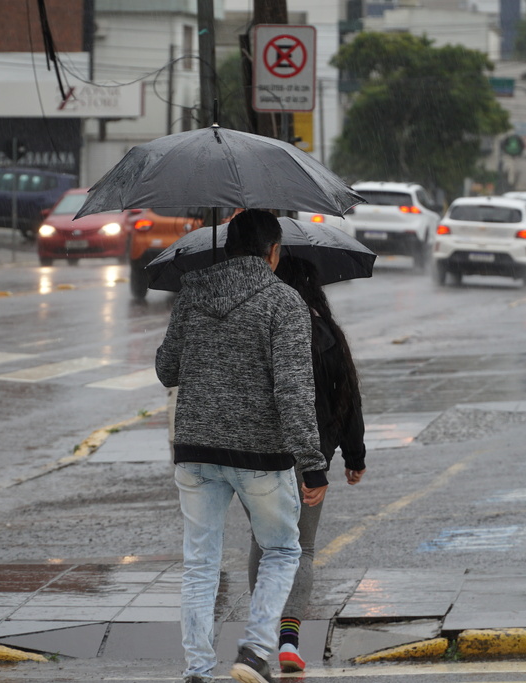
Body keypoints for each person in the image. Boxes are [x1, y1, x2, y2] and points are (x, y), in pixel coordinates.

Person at [156, 209, 330, 683]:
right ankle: (254, 652)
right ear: (273, 252)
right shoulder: (284, 302)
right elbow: (294, 393)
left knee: (200, 563)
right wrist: (313, 465)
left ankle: (197, 671)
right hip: (260, 455)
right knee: (282, 550)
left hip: (195, 449)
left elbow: (166, 369)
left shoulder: (192, 290)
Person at [248, 255, 367, 674]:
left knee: (264, 545)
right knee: (301, 548)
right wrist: (354, 456)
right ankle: (289, 642)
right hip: (312, 455)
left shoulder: (262, 325)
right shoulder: (326, 332)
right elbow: (347, 396)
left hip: (262, 454)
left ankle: (259, 640)